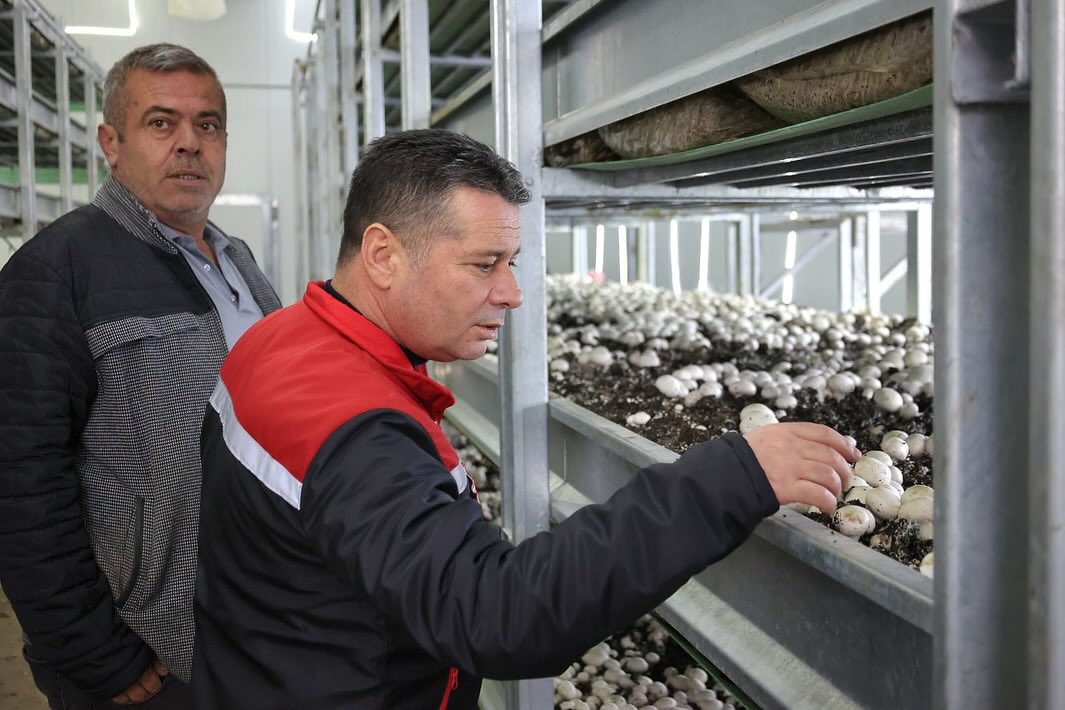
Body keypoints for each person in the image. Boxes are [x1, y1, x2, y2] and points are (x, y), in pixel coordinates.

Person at [192, 129, 857, 709]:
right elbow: (495, 613)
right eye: (484, 264)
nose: (511, 293)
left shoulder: (278, 339)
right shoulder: (350, 422)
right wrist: (728, 480)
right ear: (383, 255)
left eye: (511, 263)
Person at [0, 43, 280, 708]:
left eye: (207, 124)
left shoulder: (241, 265)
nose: (189, 143)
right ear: (111, 143)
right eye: (161, 123)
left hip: (254, 630)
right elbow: (19, 481)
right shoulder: (54, 271)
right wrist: (92, 653)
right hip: (147, 652)